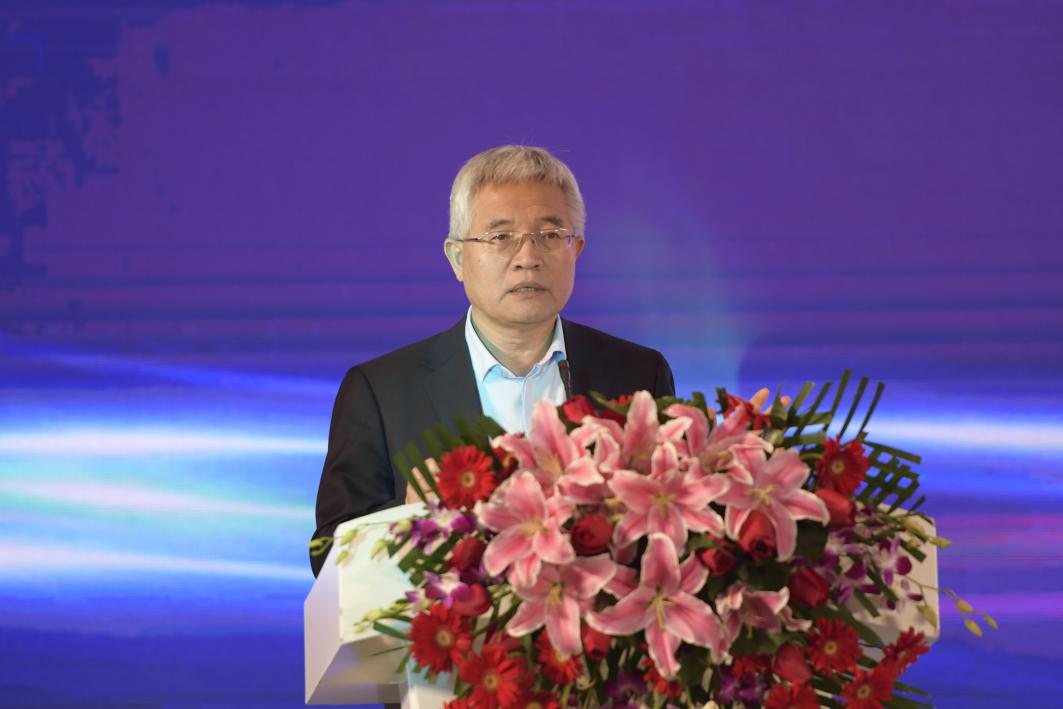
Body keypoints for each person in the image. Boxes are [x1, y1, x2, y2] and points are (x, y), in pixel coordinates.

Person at [310, 145, 675, 576]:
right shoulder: (381, 391)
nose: (528, 257)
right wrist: (407, 518)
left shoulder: (638, 375)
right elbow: (328, 556)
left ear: (576, 250)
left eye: (550, 235)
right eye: (501, 237)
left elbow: (668, 531)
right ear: (457, 258)